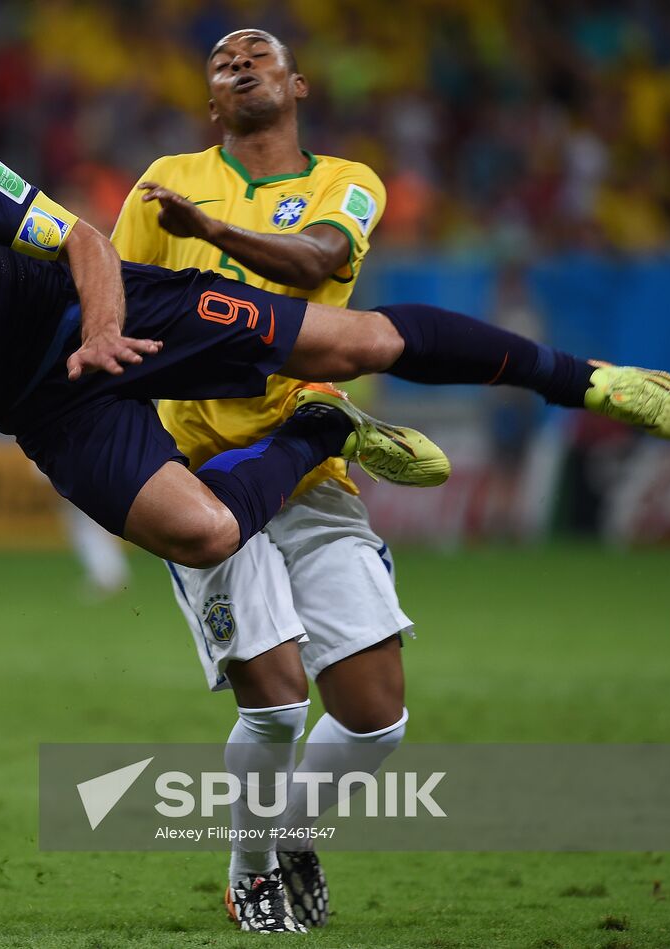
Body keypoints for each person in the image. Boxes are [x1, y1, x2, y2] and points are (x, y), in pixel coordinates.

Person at [0, 89, 670, 611]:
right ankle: (315, 430)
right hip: (49, 408)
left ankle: (589, 381)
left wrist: (107, 327)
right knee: (208, 534)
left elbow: (78, 237)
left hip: (123, 317)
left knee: (352, 338)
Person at [109, 28, 403, 933]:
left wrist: (214, 235)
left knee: (375, 725)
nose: (237, 62)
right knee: (276, 706)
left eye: (258, 55)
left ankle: (289, 829)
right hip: (200, 478)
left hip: (312, 467)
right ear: (212, 103)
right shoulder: (168, 179)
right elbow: (107, 297)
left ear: (298, 84)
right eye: (222, 63)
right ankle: (248, 866)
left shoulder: (349, 181)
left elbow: (316, 262)